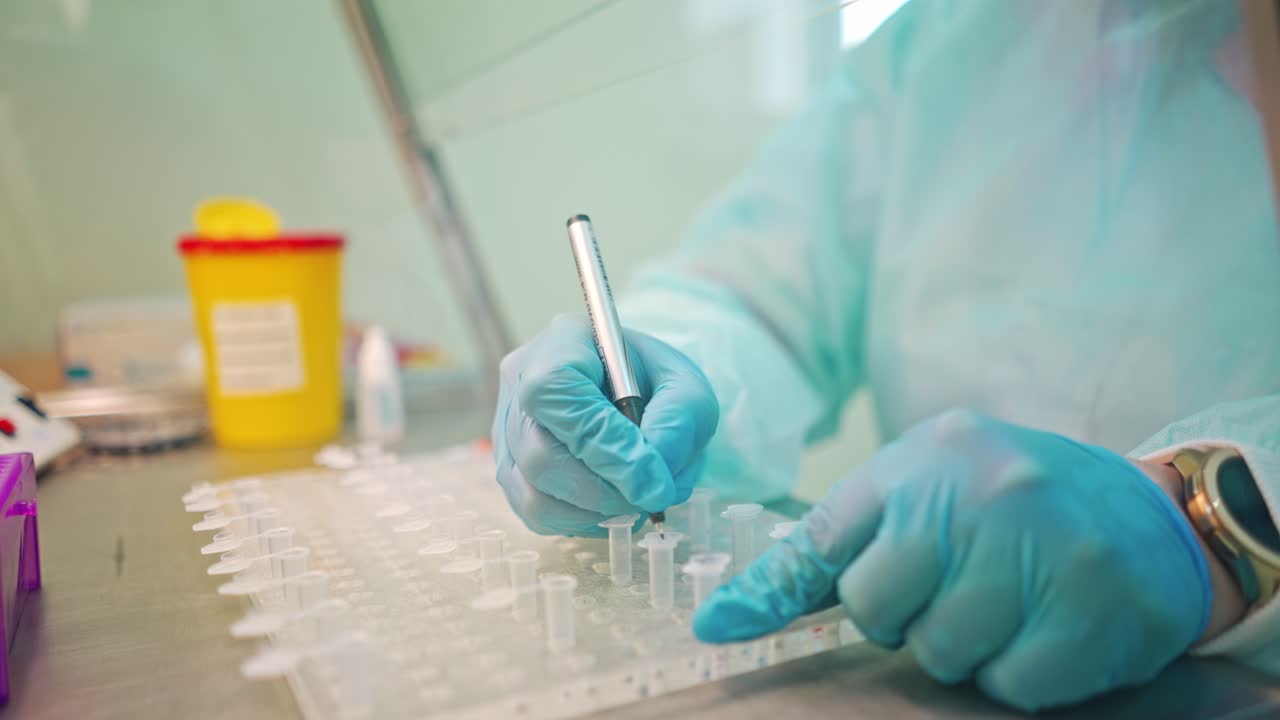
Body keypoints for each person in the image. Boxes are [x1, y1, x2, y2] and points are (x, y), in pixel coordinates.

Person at [491, 0, 1280, 710]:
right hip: (934, 664)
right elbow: (758, 296)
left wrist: (1223, 520)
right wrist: (654, 368)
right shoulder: (943, 40)